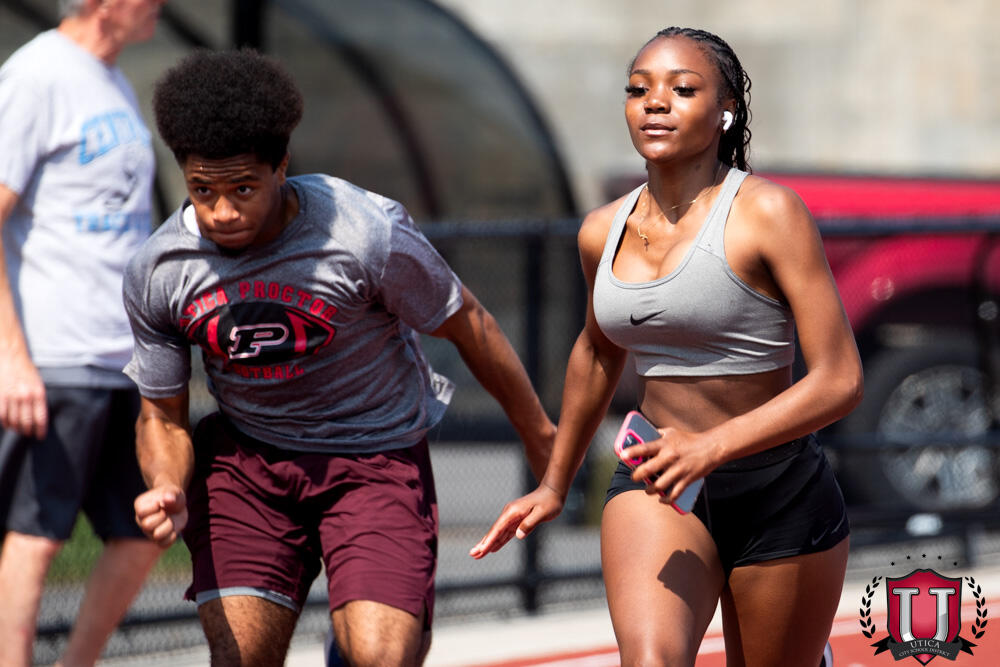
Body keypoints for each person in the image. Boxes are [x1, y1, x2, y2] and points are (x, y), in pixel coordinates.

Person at [126, 47, 555, 667]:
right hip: (249, 464)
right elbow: (162, 416)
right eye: (202, 190)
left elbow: (470, 325)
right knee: (241, 657)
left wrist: (540, 437)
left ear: (282, 166)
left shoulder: (363, 231)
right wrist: (167, 484)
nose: (222, 212)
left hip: (373, 455)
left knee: (381, 656)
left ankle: (350, 640)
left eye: (243, 188)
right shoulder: (160, 270)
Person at [470, 26, 863, 666]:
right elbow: (598, 352)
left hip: (779, 489)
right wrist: (554, 483)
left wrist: (711, 447)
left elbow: (840, 380)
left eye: (682, 89)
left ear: (725, 111)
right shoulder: (601, 230)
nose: (655, 102)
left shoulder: (770, 213)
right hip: (656, 481)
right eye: (638, 90)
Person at [0, 1, 166, 665]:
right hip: (56, 355)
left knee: (144, 528)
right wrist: (12, 358)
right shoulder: (36, 75)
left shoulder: (112, 78)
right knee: (36, 533)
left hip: (123, 359)